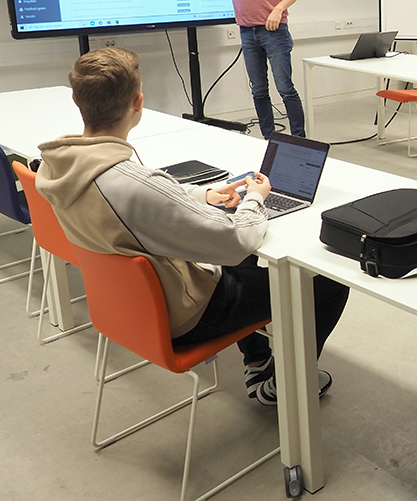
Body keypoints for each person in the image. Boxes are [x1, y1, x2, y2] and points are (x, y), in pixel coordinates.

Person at [35, 48, 348, 403]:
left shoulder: (59, 166)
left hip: (128, 307)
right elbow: (236, 240)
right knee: (327, 282)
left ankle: (257, 361)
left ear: (77, 101)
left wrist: (203, 196)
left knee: (248, 264)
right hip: (186, 314)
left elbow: (146, 198)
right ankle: (290, 385)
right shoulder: (130, 183)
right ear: (138, 102)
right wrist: (255, 198)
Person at [129, 0, 305, 139]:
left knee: (285, 88)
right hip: (248, 33)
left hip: (274, 32)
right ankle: (269, 139)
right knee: (259, 90)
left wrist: (278, 9)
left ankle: (299, 141)